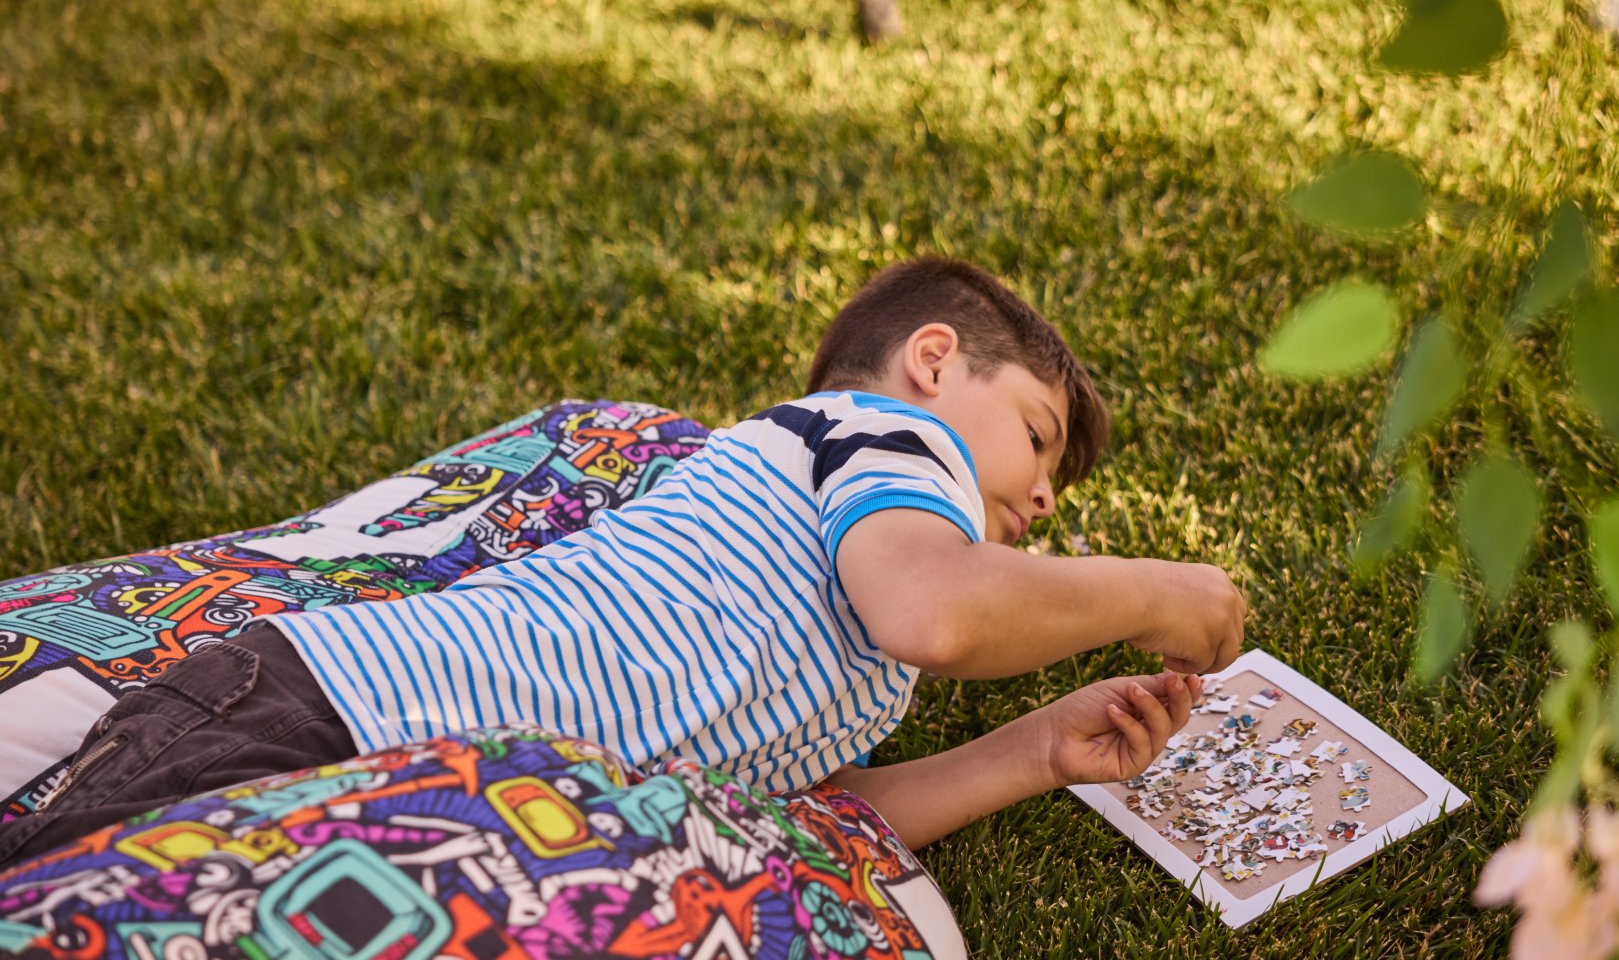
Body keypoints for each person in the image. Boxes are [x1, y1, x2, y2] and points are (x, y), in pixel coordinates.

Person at [0, 257, 1245, 866]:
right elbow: (941, 612)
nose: (1035, 495)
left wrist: (1035, 751)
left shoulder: (859, 634)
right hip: (333, 709)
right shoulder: (879, 437)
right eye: (1034, 440)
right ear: (932, 362)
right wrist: (1158, 590)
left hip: (405, 784)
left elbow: (805, 816)